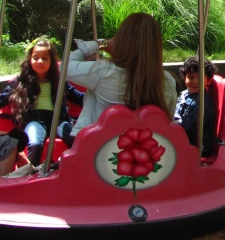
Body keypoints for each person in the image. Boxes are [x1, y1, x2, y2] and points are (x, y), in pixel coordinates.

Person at [64, 13, 178, 145]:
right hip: (145, 159)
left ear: (121, 40)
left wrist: (101, 44)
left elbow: (64, 67)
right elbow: (166, 123)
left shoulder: (104, 73)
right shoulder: (168, 82)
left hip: (95, 153)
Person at [0, 38, 84, 165]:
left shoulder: (59, 81)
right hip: (35, 119)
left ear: (52, 61)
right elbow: (1, 100)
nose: (40, 61)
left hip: (58, 119)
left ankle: (71, 168)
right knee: (35, 143)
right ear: (30, 60)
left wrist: (101, 100)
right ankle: (31, 174)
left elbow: (78, 97)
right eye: (35, 58)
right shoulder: (22, 81)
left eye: (45, 58)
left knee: (76, 139)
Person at [174, 56, 218, 156]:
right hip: (183, 137)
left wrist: (171, 128)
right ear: (184, 77)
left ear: (209, 80)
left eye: (200, 78)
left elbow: (190, 126)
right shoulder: (185, 94)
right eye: (191, 77)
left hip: (196, 145)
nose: (194, 81)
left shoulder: (202, 102)